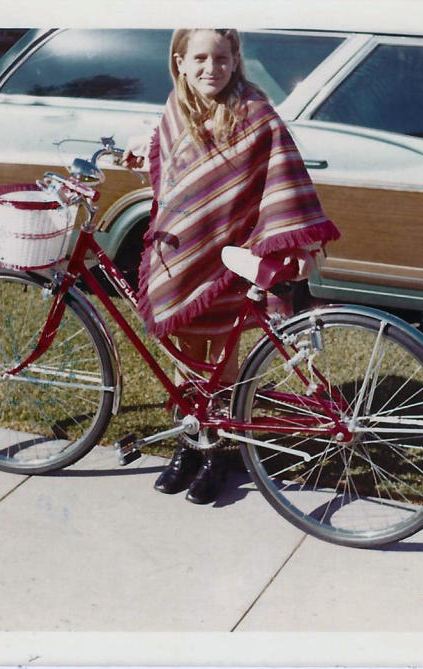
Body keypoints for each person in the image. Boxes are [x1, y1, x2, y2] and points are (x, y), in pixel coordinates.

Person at [123, 28, 340, 505]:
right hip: (180, 253)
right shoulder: (175, 108)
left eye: (221, 59)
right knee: (185, 356)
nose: (210, 68)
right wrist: (147, 150)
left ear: (235, 59)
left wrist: (289, 239)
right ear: (179, 61)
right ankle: (189, 441)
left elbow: (282, 170)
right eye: (199, 58)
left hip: (227, 257)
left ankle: (220, 453)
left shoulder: (253, 111)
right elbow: (178, 178)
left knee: (221, 359)